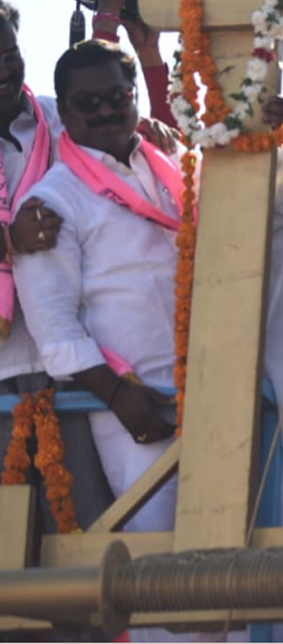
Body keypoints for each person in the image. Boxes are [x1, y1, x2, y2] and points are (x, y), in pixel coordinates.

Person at [13, 42, 189, 642]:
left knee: (225, 564)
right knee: (154, 574)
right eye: (88, 104)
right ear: (66, 109)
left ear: (134, 94)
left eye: (117, 97)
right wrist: (122, 401)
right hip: (137, 411)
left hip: (210, 394)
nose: (106, 111)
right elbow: (55, 334)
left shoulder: (173, 165)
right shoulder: (51, 201)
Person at [0, 2, 113, 537]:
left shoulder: (56, 120)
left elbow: (118, 144)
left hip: (66, 362)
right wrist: (8, 240)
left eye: (10, 54)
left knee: (82, 521)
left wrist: (155, 135)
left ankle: (86, 626)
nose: (3, 70)